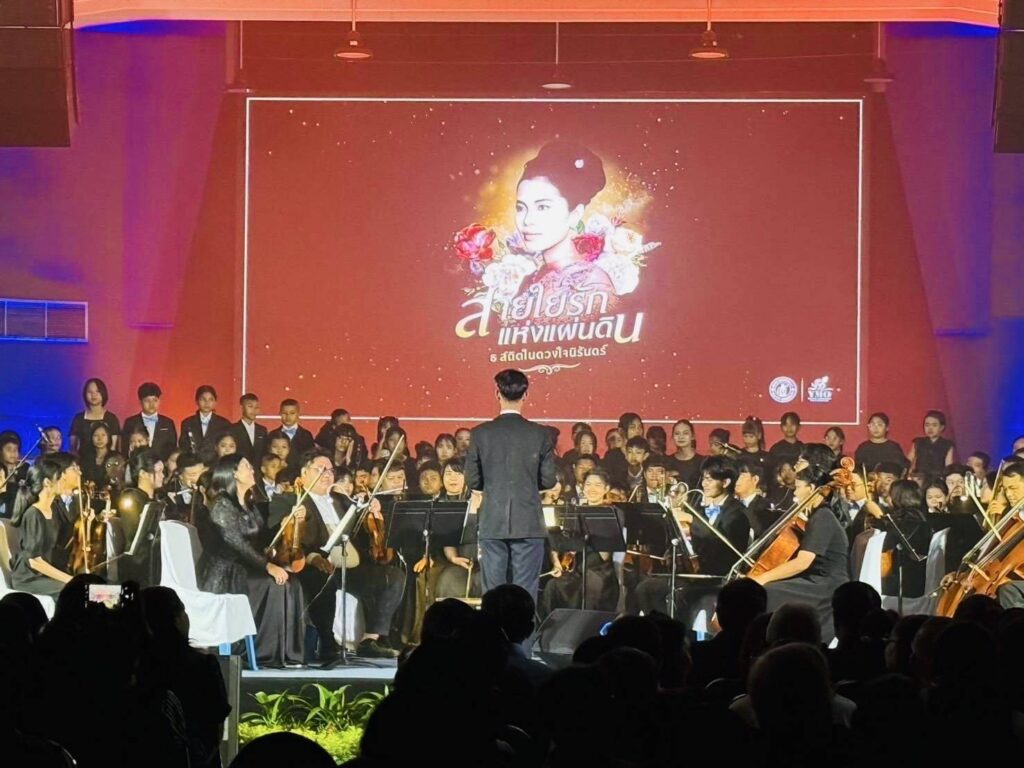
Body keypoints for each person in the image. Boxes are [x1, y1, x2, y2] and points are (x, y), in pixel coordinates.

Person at [268, 449, 406, 659]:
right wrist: (295, 526)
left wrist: (372, 510)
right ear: (304, 472)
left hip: (350, 567)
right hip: (313, 564)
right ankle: (327, 643)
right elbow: (278, 535)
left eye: (330, 471)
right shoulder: (287, 500)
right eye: (320, 469)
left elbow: (360, 534)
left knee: (393, 576)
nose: (327, 475)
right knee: (322, 577)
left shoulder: (342, 500)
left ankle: (371, 639)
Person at [199, 453, 305, 668]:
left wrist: (287, 523)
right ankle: (262, 652)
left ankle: (287, 653)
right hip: (226, 572)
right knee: (273, 583)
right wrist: (268, 566)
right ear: (234, 474)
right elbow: (237, 544)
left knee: (291, 582)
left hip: (246, 567)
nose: (252, 470)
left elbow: (260, 538)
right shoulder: (222, 505)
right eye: (247, 466)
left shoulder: (249, 503)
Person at [465, 369, 557, 600]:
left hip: (493, 521)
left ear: (497, 393)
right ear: (525, 395)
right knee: (525, 593)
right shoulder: (540, 434)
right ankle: (523, 626)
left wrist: (493, 484)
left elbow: (473, 481)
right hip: (528, 522)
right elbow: (548, 480)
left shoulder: (480, 433)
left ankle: (494, 625)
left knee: (493, 593)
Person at [510, 141, 616, 311]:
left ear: (575, 214)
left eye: (542, 207)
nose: (527, 220)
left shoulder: (592, 283)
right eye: (521, 208)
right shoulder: (530, 279)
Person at [752, 466, 850, 639]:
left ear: (811, 488)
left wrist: (763, 577)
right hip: (816, 579)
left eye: (797, 487)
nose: (794, 493)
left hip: (826, 584)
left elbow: (802, 562)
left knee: (768, 591)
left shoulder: (823, 517)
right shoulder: (818, 516)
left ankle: (772, 639)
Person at [141, 586, 230, 768]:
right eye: (183, 611)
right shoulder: (203, 665)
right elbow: (216, 729)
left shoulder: (134, 667)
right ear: (177, 619)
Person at [9, 457, 77, 595]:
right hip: (30, 578)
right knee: (77, 591)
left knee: (95, 590)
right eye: (60, 478)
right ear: (47, 482)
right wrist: (70, 580)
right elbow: (34, 561)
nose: (64, 481)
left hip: (46, 573)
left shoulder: (55, 508)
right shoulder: (33, 514)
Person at [122, 382, 178, 461]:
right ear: (140, 402)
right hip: (137, 464)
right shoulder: (130, 422)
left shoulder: (168, 423)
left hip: (162, 465)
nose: (152, 404)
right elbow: (124, 448)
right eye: (147, 401)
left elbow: (172, 448)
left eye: (155, 400)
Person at [68, 377, 121, 454]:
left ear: (103, 393)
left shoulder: (111, 418)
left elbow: (114, 446)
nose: (93, 395)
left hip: (107, 459)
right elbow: (73, 446)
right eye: (90, 392)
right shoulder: (78, 418)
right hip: (83, 459)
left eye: (97, 391)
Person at [178, 385, 231, 461]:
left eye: (211, 399)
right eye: (203, 399)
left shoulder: (224, 424)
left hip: (216, 464)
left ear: (215, 402)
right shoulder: (187, 423)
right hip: (194, 464)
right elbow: (183, 447)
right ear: (197, 401)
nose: (207, 403)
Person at [267, 399, 315, 468]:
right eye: (284, 413)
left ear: (298, 414)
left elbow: (310, 458)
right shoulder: (272, 434)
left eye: (292, 413)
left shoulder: (306, 435)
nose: (288, 417)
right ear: (280, 413)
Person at [906, 409, 956, 476]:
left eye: (934, 425)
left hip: (938, 478)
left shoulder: (947, 445)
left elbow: (948, 466)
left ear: (942, 427)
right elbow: (908, 462)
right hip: (919, 477)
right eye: (927, 425)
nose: (930, 428)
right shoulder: (918, 442)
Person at [228, 393, 268, 467]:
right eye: (250, 406)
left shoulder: (262, 430)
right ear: (241, 407)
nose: (254, 410)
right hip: (239, 470)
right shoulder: (232, 430)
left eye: (256, 407)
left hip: (259, 471)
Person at [767, 411, 804, 488]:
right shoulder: (776, 449)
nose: (789, 428)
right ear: (781, 427)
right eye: (785, 425)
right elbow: (770, 473)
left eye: (792, 424)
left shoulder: (804, 449)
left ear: (799, 427)